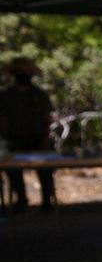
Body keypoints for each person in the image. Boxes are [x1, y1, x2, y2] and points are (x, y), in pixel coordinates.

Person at [0, 58, 55, 212]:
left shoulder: (39, 95)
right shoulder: (6, 96)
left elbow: (47, 120)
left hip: (38, 139)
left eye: (25, 72)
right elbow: (3, 120)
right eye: (19, 72)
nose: (23, 75)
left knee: (45, 170)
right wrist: (5, 141)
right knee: (13, 171)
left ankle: (47, 201)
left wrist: (44, 140)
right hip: (14, 140)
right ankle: (21, 199)